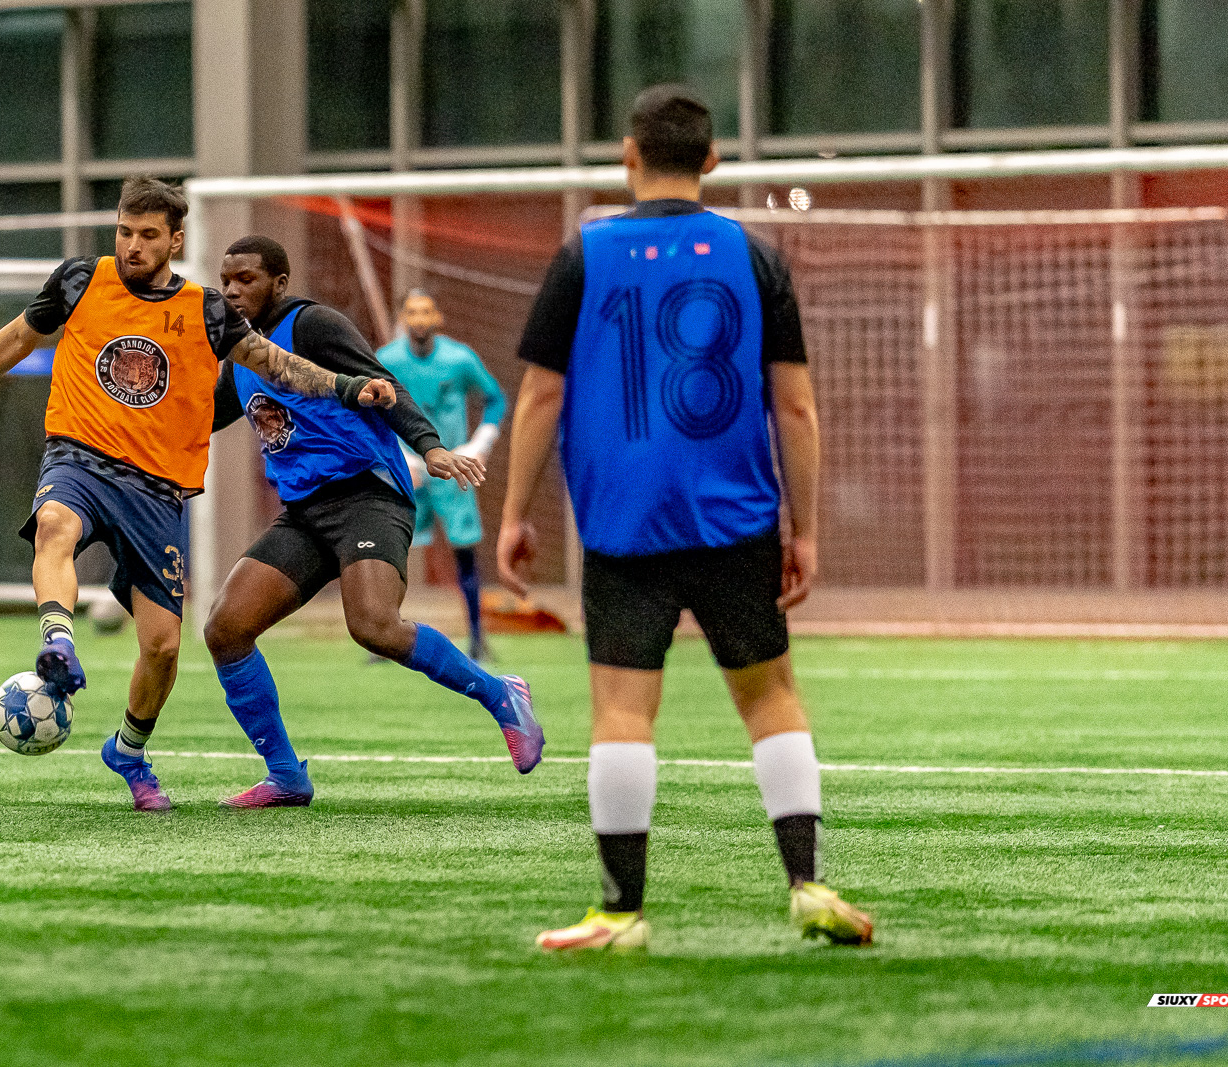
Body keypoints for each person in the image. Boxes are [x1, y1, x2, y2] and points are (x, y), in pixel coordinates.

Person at [496, 86, 872, 950]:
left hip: (623, 523)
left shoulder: (583, 254)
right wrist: (804, 529)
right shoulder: (754, 255)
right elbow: (798, 407)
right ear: (712, 159)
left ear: (628, 154)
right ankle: (808, 884)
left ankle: (621, 912)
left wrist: (515, 512)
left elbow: (542, 393)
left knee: (624, 712)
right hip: (739, 517)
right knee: (771, 696)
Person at [0, 178, 394, 813]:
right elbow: (19, 337)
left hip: (157, 490)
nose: (132, 246)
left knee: (163, 645)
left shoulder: (206, 310)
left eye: (146, 236)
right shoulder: (81, 281)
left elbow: (276, 364)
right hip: (78, 456)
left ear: (174, 240)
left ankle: (128, 750)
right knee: (55, 523)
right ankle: (58, 641)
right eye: (124, 232)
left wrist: (347, 386)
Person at [205, 236, 543, 808]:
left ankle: (499, 694)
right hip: (306, 512)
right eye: (227, 280)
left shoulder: (313, 325)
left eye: (248, 279)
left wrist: (430, 448)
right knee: (225, 629)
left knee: (374, 625)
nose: (234, 291)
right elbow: (203, 418)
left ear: (280, 283)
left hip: (368, 493)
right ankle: (286, 775)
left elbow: (385, 387)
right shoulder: (240, 355)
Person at [376, 290, 507, 661]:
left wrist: (479, 444)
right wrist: (400, 457)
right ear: (402, 317)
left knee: (465, 551)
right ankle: (382, 636)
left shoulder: (459, 358)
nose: (419, 318)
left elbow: (495, 398)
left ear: (438, 317)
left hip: (453, 470)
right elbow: (370, 412)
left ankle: (478, 637)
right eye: (412, 312)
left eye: (426, 311)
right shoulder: (386, 360)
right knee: (390, 550)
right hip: (409, 471)